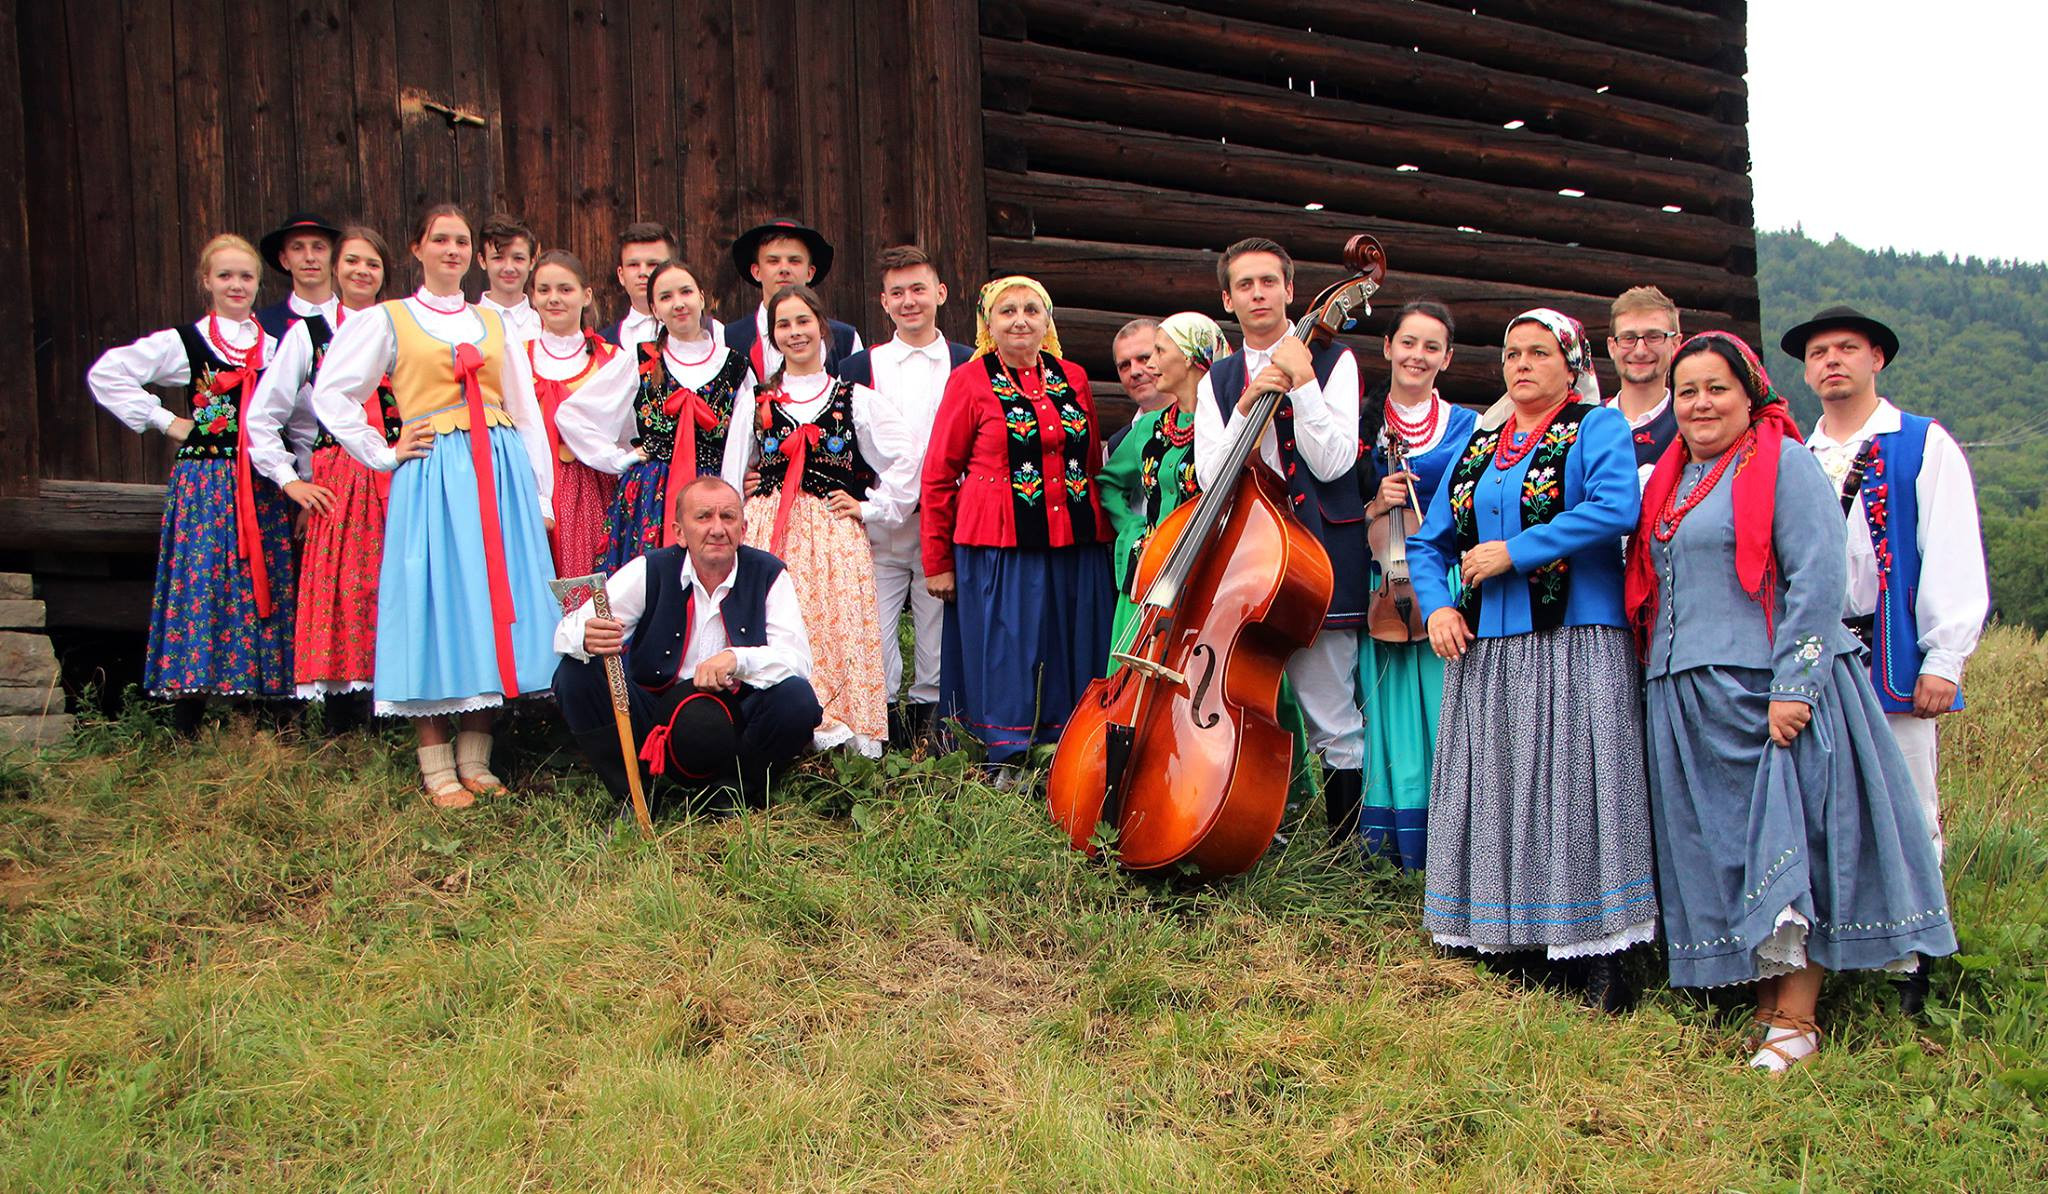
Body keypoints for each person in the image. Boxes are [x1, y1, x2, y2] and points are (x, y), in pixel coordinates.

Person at [1625, 331, 1955, 1071]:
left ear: (1751, 395)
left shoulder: (1785, 462)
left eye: (1717, 388)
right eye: (1687, 391)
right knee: (1730, 852)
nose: (1701, 404)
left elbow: (1817, 579)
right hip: (1688, 692)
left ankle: (1798, 1020)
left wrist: (1794, 687)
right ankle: (1767, 1006)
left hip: (1768, 688)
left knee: (1792, 843)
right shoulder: (1672, 480)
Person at [1408, 308, 1652, 1009]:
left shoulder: (1595, 427)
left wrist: (1516, 552)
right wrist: (1439, 607)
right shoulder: (1482, 445)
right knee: (1503, 785)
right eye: (1513, 353)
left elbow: (1616, 507)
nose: (1521, 364)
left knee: (1577, 786)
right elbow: (1429, 541)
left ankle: (1603, 957)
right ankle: (1514, 940)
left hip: (1575, 637)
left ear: (1571, 366)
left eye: (1539, 353)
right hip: (1488, 646)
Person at [311, 203, 560, 808]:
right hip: (435, 472)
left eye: (462, 241)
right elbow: (332, 392)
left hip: (498, 470)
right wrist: (383, 451)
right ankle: (435, 761)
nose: (452, 250)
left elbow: (525, 412)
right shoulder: (389, 319)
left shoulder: (495, 323)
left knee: (492, 600)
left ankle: (476, 757)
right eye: (440, 239)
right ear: (417, 248)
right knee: (436, 598)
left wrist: (539, 493)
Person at [1786, 304, 1986, 1015]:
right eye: (1818, 353)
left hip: (1890, 649)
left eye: (1847, 348)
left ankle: (1912, 959)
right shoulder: (1796, 454)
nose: (1831, 361)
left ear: (1877, 359)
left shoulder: (1921, 444)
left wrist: (1944, 657)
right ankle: (1830, 948)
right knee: (1817, 803)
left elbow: (1950, 549)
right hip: (1813, 653)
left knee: (1906, 801)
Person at [1194, 237, 1368, 840]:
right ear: (1228, 299)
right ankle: (1245, 827)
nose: (1258, 294)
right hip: (1244, 560)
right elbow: (1211, 478)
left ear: (1290, 290)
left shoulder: (1334, 361)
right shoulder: (1218, 380)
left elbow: (1335, 463)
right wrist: (1246, 408)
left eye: (1269, 281)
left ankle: (1344, 853)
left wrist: (1302, 383)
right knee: (1238, 703)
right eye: (1244, 285)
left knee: (1332, 713)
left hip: (1316, 557)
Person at [86, 234, 297, 734]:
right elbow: (107, 374)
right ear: (207, 281)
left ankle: (263, 718)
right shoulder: (186, 343)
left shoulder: (277, 348)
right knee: (202, 581)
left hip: (262, 482)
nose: (236, 285)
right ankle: (189, 719)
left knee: (260, 582)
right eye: (225, 275)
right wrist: (167, 421)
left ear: (258, 283)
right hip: (206, 481)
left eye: (246, 276)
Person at [922, 276, 1114, 770]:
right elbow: (939, 474)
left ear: (1048, 320)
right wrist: (937, 561)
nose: (1020, 320)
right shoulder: (969, 381)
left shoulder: (1073, 376)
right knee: (1009, 645)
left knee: (1067, 640)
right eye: (1007, 311)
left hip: (1074, 539)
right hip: (999, 543)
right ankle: (1006, 751)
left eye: (1032, 309)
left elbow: (1090, 459)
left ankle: (1068, 746)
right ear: (988, 324)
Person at [554, 475, 822, 815]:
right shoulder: (650, 570)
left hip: (735, 720)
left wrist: (736, 659)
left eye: (728, 517)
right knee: (576, 673)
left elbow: (797, 660)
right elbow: (568, 630)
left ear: (743, 529)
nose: (717, 528)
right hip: (655, 720)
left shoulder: (768, 574)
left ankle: (733, 791)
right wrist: (586, 636)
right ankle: (634, 794)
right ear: (679, 532)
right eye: (703, 517)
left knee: (796, 699)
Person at [729, 284, 896, 756]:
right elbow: (731, 469)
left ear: (822, 327)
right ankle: (779, 728)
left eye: (803, 321)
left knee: (838, 625)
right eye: (783, 324)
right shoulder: (758, 400)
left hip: (832, 530)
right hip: (771, 529)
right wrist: (741, 504)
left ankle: (843, 734)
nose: (795, 332)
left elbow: (904, 461)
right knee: (779, 622)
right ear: (773, 336)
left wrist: (869, 507)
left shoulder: (852, 398)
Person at [244, 225, 399, 728]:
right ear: (336, 269)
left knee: (395, 582)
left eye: (372, 264)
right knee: (345, 589)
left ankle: (400, 709)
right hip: (340, 475)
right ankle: (343, 720)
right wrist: (290, 480)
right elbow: (262, 415)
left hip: (400, 467)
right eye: (352, 261)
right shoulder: (309, 334)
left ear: (385, 273)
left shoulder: (400, 326)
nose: (362, 271)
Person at [1355, 300, 1476, 868]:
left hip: (1441, 580)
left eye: (1432, 347)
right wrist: (1373, 504)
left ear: (1447, 358)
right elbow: (1335, 509)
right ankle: (1395, 848)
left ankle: (1456, 843)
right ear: (1388, 347)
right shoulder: (1360, 424)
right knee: (1388, 709)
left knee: (1447, 702)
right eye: (1408, 343)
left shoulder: (1468, 426)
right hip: (1382, 579)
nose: (1417, 356)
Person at [836, 246, 972, 747]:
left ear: (940, 293)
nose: (909, 301)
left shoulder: (968, 362)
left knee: (936, 626)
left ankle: (932, 733)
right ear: (884, 302)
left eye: (918, 289)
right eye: (898, 293)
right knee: (874, 624)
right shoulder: (857, 367)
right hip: (878, 518)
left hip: (946, 518)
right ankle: (881, 729)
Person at [563, 258, 754, 575]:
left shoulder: (735, 365)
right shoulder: (642, 360)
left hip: (714, 488)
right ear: (654, 308)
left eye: (685, 292)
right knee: (649, 581)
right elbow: (573, 415)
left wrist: (748, 477)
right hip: (652, 494)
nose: (678, 303)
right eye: (666, 297)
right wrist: (618, 458)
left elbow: (750, 433)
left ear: (702, 297)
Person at [1097, 312, 1220, 662]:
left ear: (1190, 357)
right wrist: (1132, 528)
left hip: (1203, 573)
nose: (1148, 366)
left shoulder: (1224, 425)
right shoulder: (1148, 427)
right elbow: (1107, 483)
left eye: (1158, 353)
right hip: (1147, 570)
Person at [525, 249, 636, 580]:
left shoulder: (612, 359)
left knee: (592, 582)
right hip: (533, 486)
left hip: (593, 487)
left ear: (586, 295)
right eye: (544, 290)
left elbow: (626, 435)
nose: (554, 298)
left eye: (565, 289)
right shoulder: (518, 356)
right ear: (532, 297)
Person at [723, 217, 863, 377]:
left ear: (810, 272)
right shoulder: (729, 338)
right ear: (757, 272)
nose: (784, 269)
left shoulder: (846, 339)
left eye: (794, 261)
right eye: (773, 261)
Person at [1604, 286, 1683, 490]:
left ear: (1675, 344)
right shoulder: (1584, 424)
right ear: (1612, 347)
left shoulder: (1689, 423)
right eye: (1628, 338)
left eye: (1654, 337)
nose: (1640, 351)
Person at [253, 212, 341, 342]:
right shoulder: (262, 324)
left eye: (318, 247)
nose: (309, 257)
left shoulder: (356, 317)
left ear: (334, 257)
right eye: (297, 248)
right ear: (284, 260)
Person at [596, 222, 682, 354]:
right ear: (621, 275)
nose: (643, 272)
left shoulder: (708, 334)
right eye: (633, 265)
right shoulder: (602, 344)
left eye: (653, 264)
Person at [477, 212, 541, 342]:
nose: (509, 268)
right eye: (498, 258)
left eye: (518, 258)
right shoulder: (467, 322)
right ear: (482, 261)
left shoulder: (544, 326)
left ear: (532, 261)